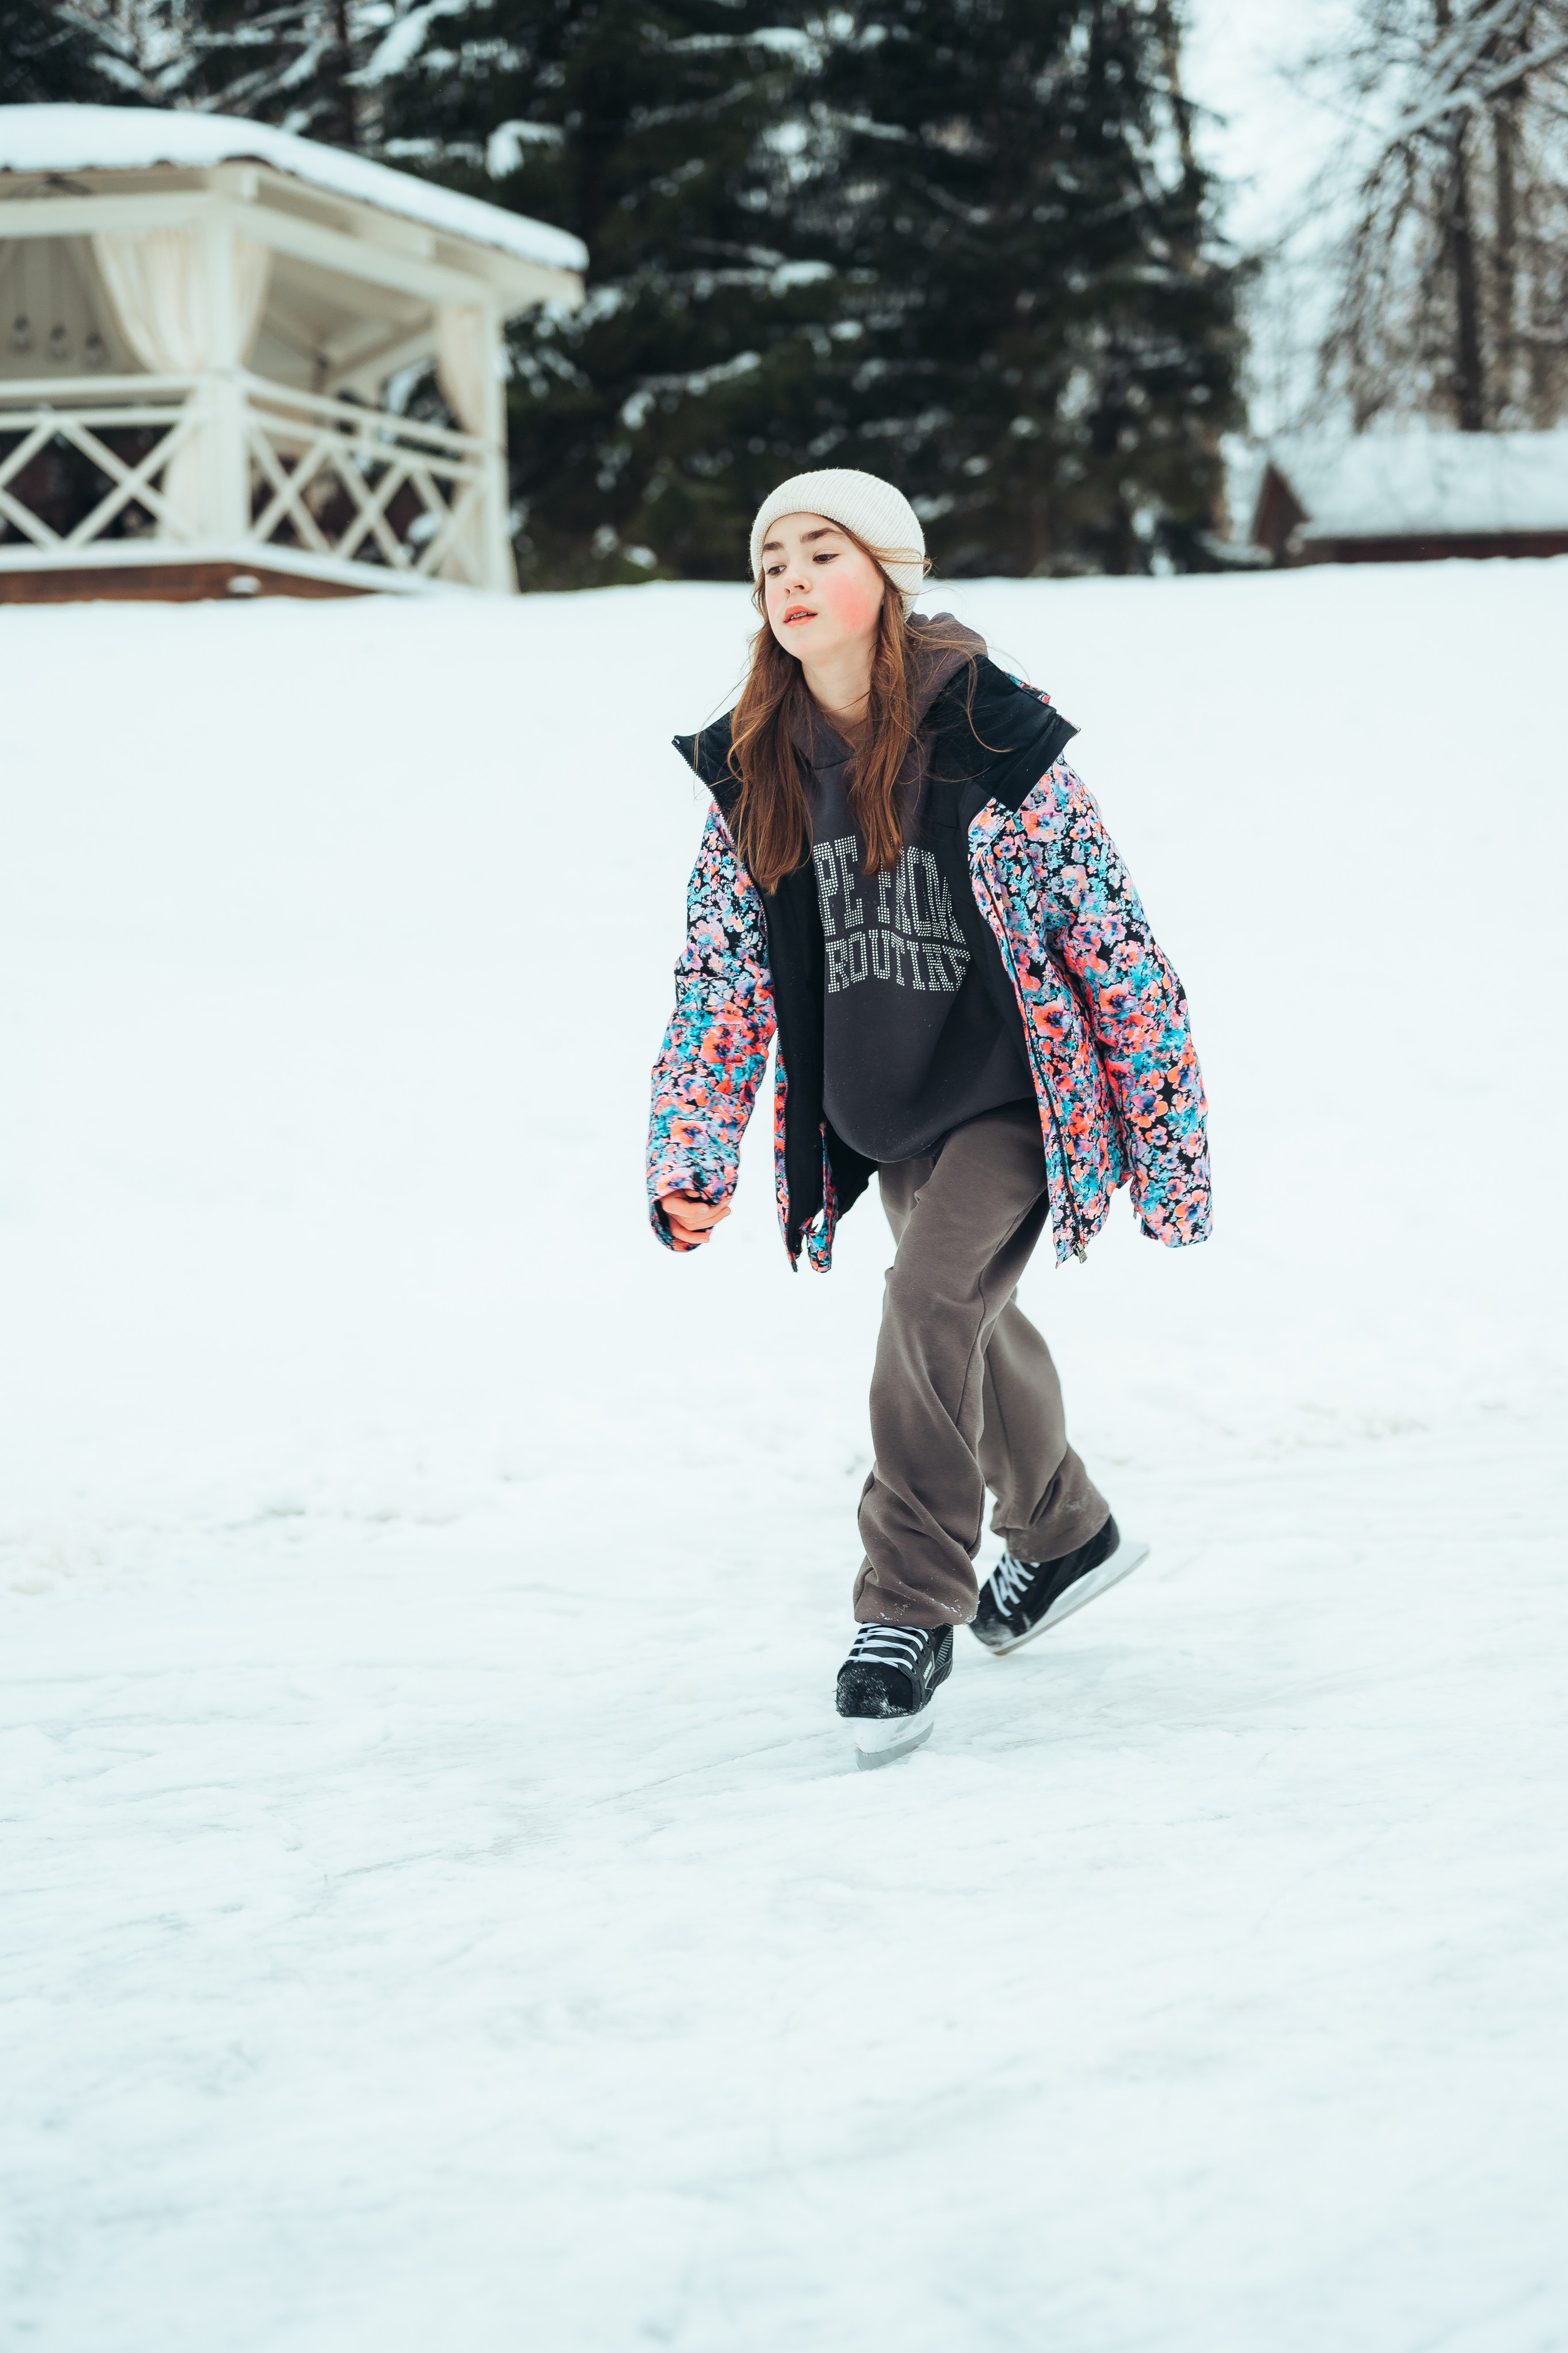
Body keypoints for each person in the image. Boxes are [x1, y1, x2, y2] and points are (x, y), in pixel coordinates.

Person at [646, 469, 1210, 1767]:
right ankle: (1063, 1529)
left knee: (926, 1302)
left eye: (818, 552)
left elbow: (1108, 939)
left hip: (1014, 1096)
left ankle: (904, 1606)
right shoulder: (755, 771)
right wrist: (693, 1148)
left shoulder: (994, 737)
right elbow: (721, 976)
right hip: (884, 1107)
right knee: (966, 1309)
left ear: (888, 577)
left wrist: (1166, 1145)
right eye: (769, 561)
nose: (788, 580)